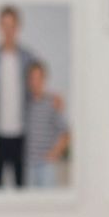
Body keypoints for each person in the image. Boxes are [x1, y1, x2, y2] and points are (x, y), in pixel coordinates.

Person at [0, 7, 41, 190]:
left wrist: (54, 98)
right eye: (4, 25)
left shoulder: (28, 58)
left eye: (12, 25)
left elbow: (37, 87)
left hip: (21, 132)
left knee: (21, 187)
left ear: (18, 27)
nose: (8, 30)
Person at [24, 60, 71, 190]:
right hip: (28, 164)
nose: (35, 82)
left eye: (39, 78)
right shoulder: (25, 104)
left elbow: (66, 133)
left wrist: (54, 153)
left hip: (46, 165)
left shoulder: (52, 103)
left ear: (45, 79)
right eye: (32, 78)